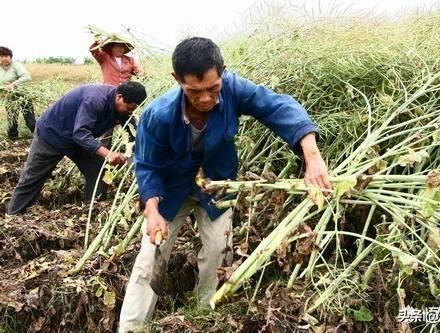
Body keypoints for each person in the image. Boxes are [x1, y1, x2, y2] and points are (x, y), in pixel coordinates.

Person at [118, 37, 331, 332]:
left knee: (219, 249)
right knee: (149, 257)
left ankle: (202, 314)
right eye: (194, 92)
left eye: (213, 88)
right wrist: (152, 209)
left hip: (218, 182)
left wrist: (313, 156)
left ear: (223, 73)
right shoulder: (158, 114)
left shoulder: (233, 89)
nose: (205, 99)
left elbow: (278, 107)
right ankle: (131, 328)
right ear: (176, 80)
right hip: (172, 187)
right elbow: (148, 165)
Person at [7, 82, 147, 215]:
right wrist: (108, 153)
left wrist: (146, 149)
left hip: (77, 141)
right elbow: (80, 133)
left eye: (133, 110)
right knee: (33, 177)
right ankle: (13, 216)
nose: (130, 112)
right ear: (119, 97)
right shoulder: (95, 100)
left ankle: (93, 209)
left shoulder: (121, 108)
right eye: (129, 108)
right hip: (52, 135)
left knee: (99, 170)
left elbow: (132, 131)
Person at [90, 40, 142, 147]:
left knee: (130, 125)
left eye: (122, 46)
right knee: (107, 128)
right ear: (112, 48)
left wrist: (142, 73)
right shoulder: (105, 57)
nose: (120, 48)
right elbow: (94, 51)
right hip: (109, 97)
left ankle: (133, 148)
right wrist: (97, 43)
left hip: (125, 98)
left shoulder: (130, 60)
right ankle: (104, 153)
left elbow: (139, 72)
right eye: (117, 46)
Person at [0, 46, 36, 140]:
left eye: (6, 56)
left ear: (10, 57)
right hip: (10, 97)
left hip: (23, 95)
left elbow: (26, 77)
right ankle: (13, 139)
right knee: (12, 120)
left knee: (30, 121)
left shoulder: (16, 65)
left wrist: (13, 84)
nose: (4, 58)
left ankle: (40, 137)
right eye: (2, 56)